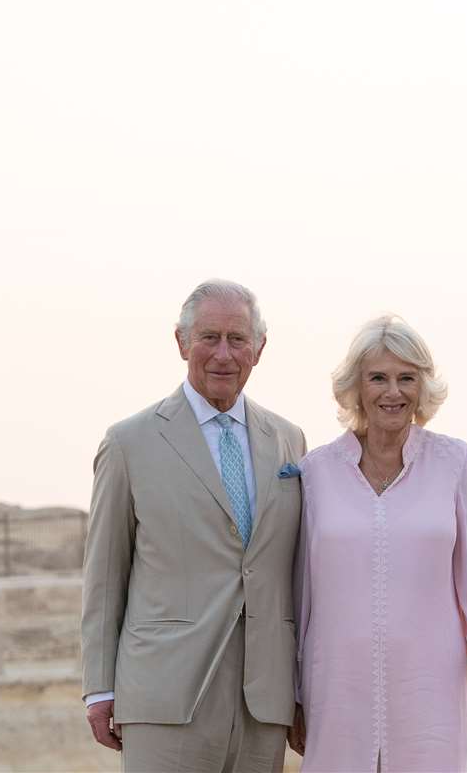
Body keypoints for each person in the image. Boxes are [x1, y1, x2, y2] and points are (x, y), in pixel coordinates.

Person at [293, 313, 467, 772]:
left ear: (422, 386)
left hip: (428, 686)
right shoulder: (315, 471)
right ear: (356, 386)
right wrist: (289, 689)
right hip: (335, 684)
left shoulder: (453, 462)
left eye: (406, 378)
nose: (393, 392)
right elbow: (301, 590)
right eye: (379, 378)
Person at [81, 279, 307, 772]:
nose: (223, 354)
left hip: (263, 700)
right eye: (209, 337)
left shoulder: (290, 441)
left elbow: (298, 572)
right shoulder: (129, 443)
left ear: (259, 348)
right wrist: (99, 687)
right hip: (164, 694)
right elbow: (104, 575)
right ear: (182, 342)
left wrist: (301, 683)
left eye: (237, 339)